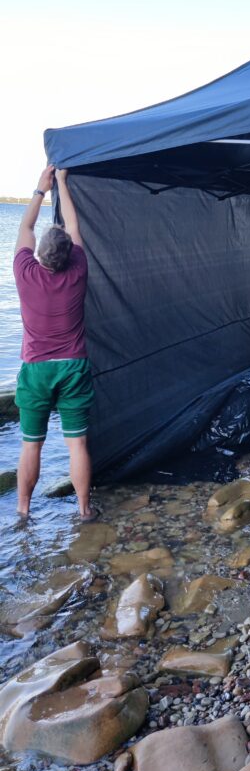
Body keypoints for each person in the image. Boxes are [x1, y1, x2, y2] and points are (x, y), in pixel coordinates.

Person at [13, 165, 96, 520]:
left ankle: (23, 511)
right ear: (67, 255)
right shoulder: (78, 271)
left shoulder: (25, 273)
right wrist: (62, 182)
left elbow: (26, 228)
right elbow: (75, 229)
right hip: (73, 366)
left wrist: (40, 189)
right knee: (77, 444)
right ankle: (84, 510)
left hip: (36, 370)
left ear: (40, 255)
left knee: (31, 445)